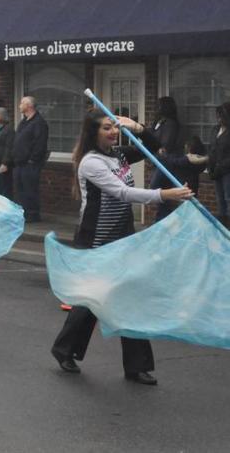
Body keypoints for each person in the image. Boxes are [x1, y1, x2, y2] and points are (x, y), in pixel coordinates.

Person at [50, 110, 193, 385]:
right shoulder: (91, 163)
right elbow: (122, 192)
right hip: (96, 238)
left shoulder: (119, 155)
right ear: (93, 132)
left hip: (122, 234)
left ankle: (137, 366)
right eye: (106, 128)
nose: (113, 132)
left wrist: (138, 128)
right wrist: (165, 195)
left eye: (114, 128)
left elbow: (153, 147)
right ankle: (64, 349)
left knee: (132, 295)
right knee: (89, 300)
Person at [12, 96, 49, 222]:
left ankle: (32, 215)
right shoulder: (24, 122)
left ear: (29, 106)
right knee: (20, 190)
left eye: (21, 103)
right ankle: (22, 213)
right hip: (19, 162)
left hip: (30, 163)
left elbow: (40, 143)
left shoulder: (39, 123)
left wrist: (32, 159)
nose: (19, 106)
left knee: (30, 189)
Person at [155, 136, 208, 221]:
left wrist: (163, 156)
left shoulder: (187, 160)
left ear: (189, 147)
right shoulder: (199, 160)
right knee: (189, 210)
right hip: (193, 187)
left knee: (183, 211)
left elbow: (173, 162)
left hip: (183, 187)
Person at [148, 97, 181, 190]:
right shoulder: (159, 122)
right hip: (156, 159)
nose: (156, 108)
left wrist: (156, 154)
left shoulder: (170, 124)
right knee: (160, 190)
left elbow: (166, 144)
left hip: (165, 161)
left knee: (155, 187)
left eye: (159, 106)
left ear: (165, 107)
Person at [207, 102, 230, 222]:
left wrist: (221, 167)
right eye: (217, 116)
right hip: (215, 170)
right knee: (220, 199)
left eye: (221, 115)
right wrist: (210, 167)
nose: (219, 118)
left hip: (227, 170)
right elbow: (211, 148)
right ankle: (223, 227)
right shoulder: (215, 129)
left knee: (228, 198)